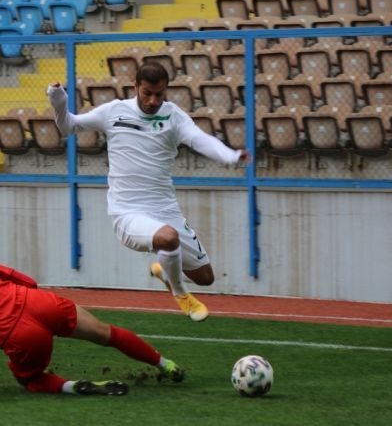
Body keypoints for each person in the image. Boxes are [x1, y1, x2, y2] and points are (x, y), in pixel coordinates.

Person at [47, 63, 250, 322]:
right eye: (147, 93)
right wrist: (58, 100)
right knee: (168, 237)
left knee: (206, 277)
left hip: (166, 209)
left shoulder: (173, 116)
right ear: (135, 88)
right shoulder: (114, 112)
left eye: (159, 94)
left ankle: (166, 270)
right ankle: (180, 294)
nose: (153, 101)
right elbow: (68, 126)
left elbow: (201, 139)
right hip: (127, 212)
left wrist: (231, 155)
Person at [0, 243, 184, 398]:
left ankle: (73, 387)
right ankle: (165, 364)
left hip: (18, 334)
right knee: (107, 332)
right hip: (39, 303)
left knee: (28, 379)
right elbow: (28, 280)